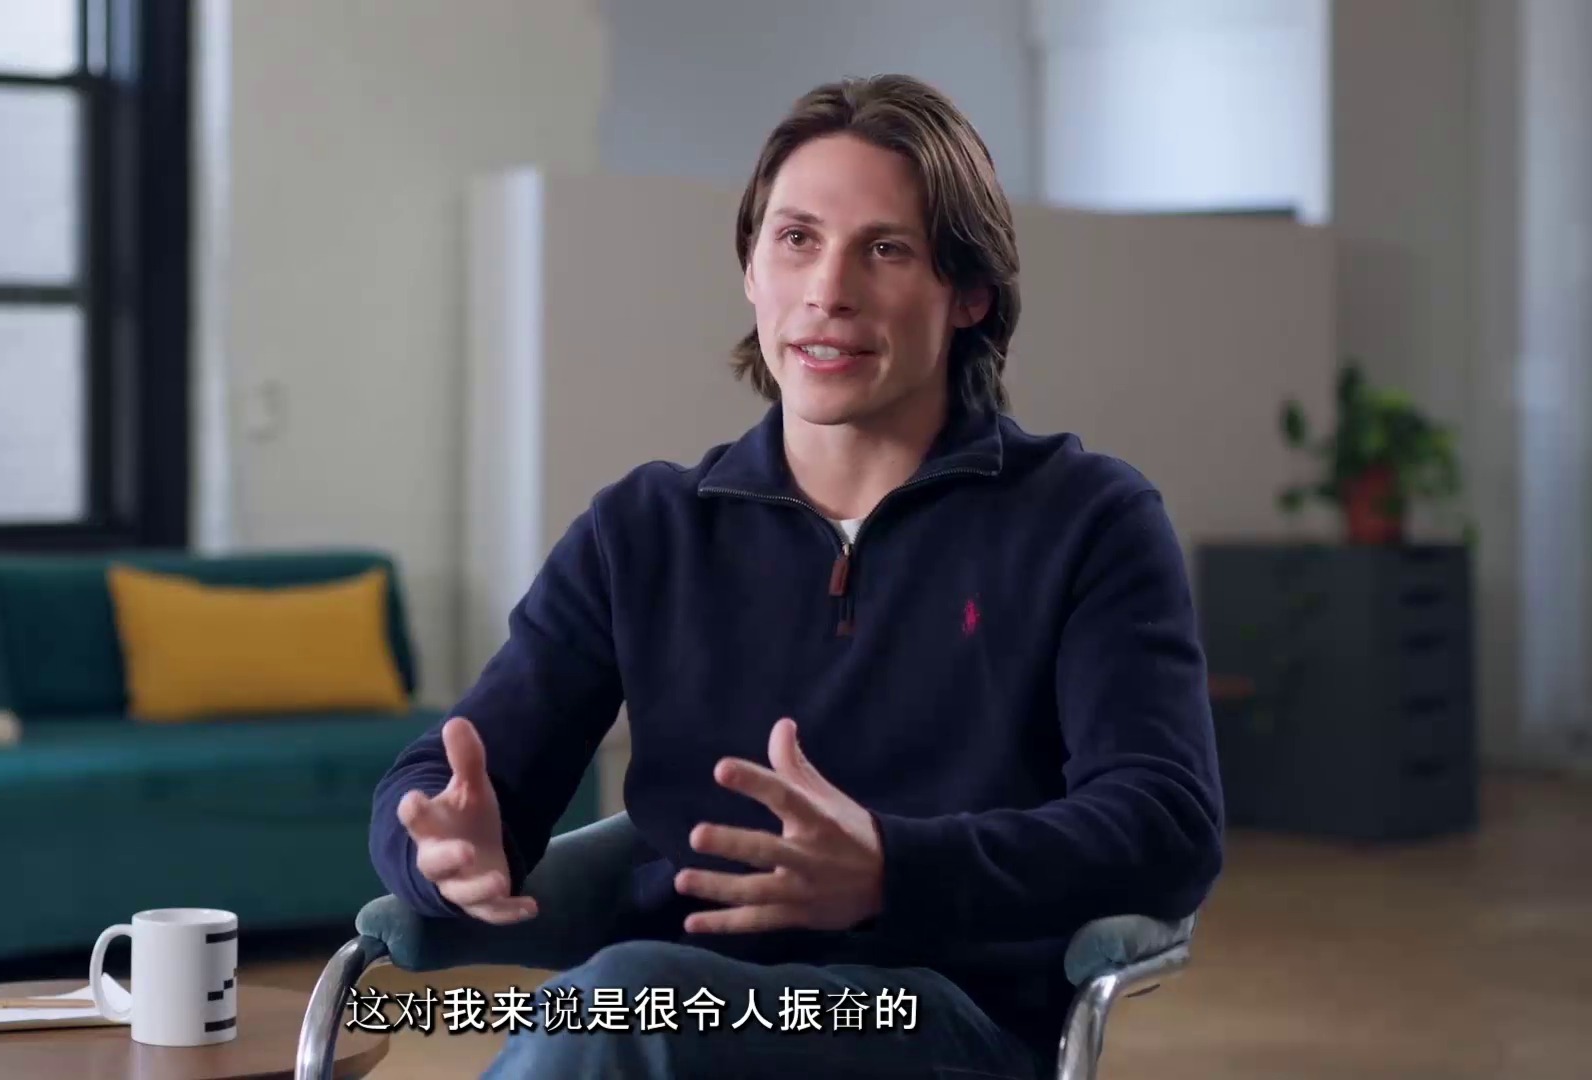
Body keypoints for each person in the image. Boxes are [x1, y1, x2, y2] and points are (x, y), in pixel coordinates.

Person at [370, 73, 1224, 1079]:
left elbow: (1165, 824)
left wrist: (894, 870)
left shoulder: (1088, 520)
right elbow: (449, 776)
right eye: (796, 239)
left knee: (620, 1012)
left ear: (970, 293)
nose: (829, 290)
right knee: (627, 1005)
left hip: (941, 1019)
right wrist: (439, 850)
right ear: (751, 269)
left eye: (886, 249)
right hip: (674, 1005)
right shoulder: (643, 530)